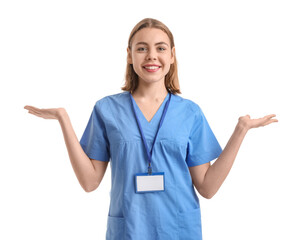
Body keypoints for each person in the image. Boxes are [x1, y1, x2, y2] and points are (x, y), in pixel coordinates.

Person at [24, 18, 278, 240]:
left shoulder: (190, 112)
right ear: (129, 54)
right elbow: (90, 183)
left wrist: (241, 130)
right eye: (142, 48)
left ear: (172, 55)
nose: (151, 56)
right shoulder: (106, 109)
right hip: (129, 230)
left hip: (179, 230)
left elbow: (207, 187)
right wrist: (63, 120)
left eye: (160, 48)